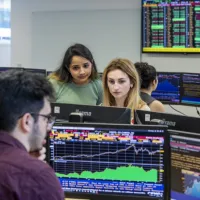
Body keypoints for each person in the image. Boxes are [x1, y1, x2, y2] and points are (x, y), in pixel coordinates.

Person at [0, 70, 64, 200]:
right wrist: (30, 166)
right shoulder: (37, 176)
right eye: (46, 118)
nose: (48, 127)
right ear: (27, 121)